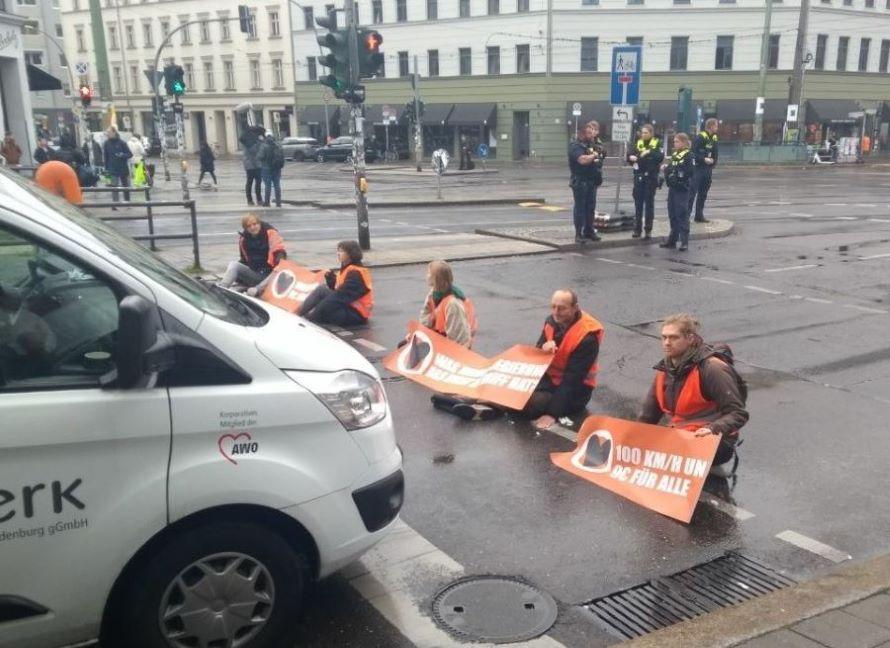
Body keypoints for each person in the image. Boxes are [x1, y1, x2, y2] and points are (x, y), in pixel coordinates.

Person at [430, 289, 604, 428]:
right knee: (512, 384)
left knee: (527, 402)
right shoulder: (552, 320)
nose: (556, 312)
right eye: (553, 307)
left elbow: (572, 382)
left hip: (576, 393)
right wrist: (542, 348)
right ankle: (481, 405)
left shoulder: (586, 337)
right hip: (550, 380)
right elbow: (537, 355)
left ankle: (479, 402)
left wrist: (552, 414)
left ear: (575, 308)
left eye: (562, 308)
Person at [638, 313, 748, 477]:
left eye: (674, 338)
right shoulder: (666, 370)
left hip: (714, 439)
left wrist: (712, 429)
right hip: (682, 434)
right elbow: (648, 416)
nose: (667, 343)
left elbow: (738, 414)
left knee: (662, 457)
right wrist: (632, 439)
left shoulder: (712, 369)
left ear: (690, 339)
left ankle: (705, 472)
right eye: (664, 337)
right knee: (648, 449)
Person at [299, 240, 373, 327]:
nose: (338, 253)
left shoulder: (356, 274)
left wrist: (315, 314)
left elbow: (340, 296)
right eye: (338, 250)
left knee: (322, 297)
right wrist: (330, 277)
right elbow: (337, 288)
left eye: (341, 251)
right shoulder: (348, 269)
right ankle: (299, 313)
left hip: (355, 315)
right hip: (348, 308)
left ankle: (298, 314)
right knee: (322, 290)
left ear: (350, 254)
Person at [219, 214, 287, 296]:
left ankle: (257, 290)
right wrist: (236, 275)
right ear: (245, 228)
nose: (252, 227)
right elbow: (244, 260)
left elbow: (279, 250)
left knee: (278, 268)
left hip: (271, 276)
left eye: (255, 224)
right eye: (249, 226)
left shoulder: (270, 233)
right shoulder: (244, 239)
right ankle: (221, 289)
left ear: (259, 223)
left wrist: (279, 258)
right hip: (256, 273)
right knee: (234, 265)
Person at [419, 260, 476, 348]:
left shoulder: (453, 304)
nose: (426, 276)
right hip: (438, 338)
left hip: (450, 346)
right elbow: (423, 320)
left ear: (436, 279)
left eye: (429, 273)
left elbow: (459, 339)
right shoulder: (432, 294)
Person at [568, 121, 605, 244]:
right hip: (580, 180)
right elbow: (582, 160)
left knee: (590, 208)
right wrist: (594, 156)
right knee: (580, 208)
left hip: (591, 180)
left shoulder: (594, 145)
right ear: (585, 131)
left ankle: (589, 231)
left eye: (594, 130)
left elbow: (601, 157)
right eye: (589, 130)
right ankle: (579, 234)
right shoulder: (576, 145)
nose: (591, 132)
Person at [626, 123, 664, 239]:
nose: (643, 135)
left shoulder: (657, 143)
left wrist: (649, 152)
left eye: (646, 133)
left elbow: (660, 157)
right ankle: (637, 229)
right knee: (638, 205)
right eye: (642, 132)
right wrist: (630, 158)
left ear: (651, 133)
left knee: (649, 205)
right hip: (639, 177)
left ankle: (648, 230)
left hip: (651, 178)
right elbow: (629, 155)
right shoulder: (637, 143)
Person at [660, 132, 694, 251]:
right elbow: (672, 168)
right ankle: (672, 240)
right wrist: (666, 169)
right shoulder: (675, 155)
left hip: (682, 189)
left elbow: (689, 171)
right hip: (673, 189)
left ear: (684, 143)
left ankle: (684, 241)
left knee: (682, 215)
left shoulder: (689, 156)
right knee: (672, 215)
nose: (674, 143)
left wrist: (677, 175)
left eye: (677, 141)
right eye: (674, 141)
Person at [688, 118, 719, 224]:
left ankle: (699, 215)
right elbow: (693, 153)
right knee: (692, 193)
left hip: (707, 170)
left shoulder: (714, 138)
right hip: (698, 169)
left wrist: (713, 163)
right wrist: (703, 159)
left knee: (703, 193)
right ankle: (686, 216)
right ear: (711, 126)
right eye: (716, 126)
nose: (717, 128)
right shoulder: (700, 137)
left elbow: (715, 152)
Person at [102, 126, 132, 207]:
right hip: (112, 169)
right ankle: (115, 204)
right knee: (114, 187)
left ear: (114, 133)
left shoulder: (122, 143)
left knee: (125, 186)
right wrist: (106, 169)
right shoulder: (106, 143)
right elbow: (105, 157)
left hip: (122, 168)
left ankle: (127, 202)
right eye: (107, 132)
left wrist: (122, 155)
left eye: (109, 132)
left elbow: (130, 154)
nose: (107, 134)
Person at [258, 131, 285, 207]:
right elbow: (282, 155)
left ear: (265, 137)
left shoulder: (264, 145)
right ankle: (278, 202)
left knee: (268, 185)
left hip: (266, 168)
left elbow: (260, 156)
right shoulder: (278, 145)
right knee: (277, 185)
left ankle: (267, 202)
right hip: (277, 168)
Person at [240, 126, 264, 206]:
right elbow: (253, 151)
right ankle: (251, 200)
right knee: (251, 182)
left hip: (255, 164)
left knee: (257, 182)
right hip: (251, 165)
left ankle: (258, 199)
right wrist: (259, 142)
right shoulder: (249, 141)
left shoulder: (252, 139)